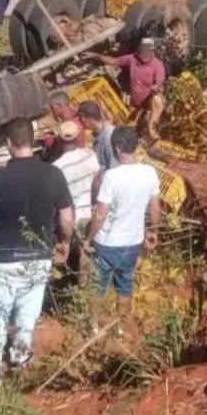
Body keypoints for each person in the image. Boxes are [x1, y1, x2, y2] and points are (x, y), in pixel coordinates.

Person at [0, 118, 74, 381]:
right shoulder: (53, 174)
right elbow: (67, 218)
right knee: (28, 311)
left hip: (2, 258)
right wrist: (64, 241)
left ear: (8, 144)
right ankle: (18, 357)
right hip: (38, 256)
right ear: (34, 139)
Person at [86, 126, 160, 327]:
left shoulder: (112, 176)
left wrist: (89, 238)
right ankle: (119, 326)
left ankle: (93, 325)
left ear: (118, 148)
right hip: (132, 242)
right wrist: (153, 230)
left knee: (98, 286)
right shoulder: (149, 172)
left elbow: (101, 213)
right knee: (125, 285)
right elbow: (154, 207)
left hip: (107, 243)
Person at [84, 38, 166, 140]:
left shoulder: (157, 65)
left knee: (157, 99)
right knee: (125, 128)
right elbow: (113, 61)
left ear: (152, 51)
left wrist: (156, 87)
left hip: (148, 102)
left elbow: (159, 83)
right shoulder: (133, 58)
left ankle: (151, 130)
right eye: (143, 50)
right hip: (134, 103)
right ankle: (134, 134)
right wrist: (94, 55)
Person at [53, 120, 101, 285]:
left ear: (59, 140)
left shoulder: (57, 167)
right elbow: (96, 182)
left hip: (69, 217)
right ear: (77, 137)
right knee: (85, 251)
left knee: (64, 250)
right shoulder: (90, 155)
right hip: (87, 213)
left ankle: (64, 284)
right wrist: (94, 202)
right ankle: (83, 286)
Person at [78, 101, 118, 175]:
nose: (81, 121)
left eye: (81, 118)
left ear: (91, 119)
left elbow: (115, 168)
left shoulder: (108, 137)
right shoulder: (97, 135)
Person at [43, 90, 86, 159]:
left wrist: (48, 141)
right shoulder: (72, 120)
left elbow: (62, 151)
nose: (50, 110)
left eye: (51, 107)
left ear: (59, 105)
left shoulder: (71, 126)